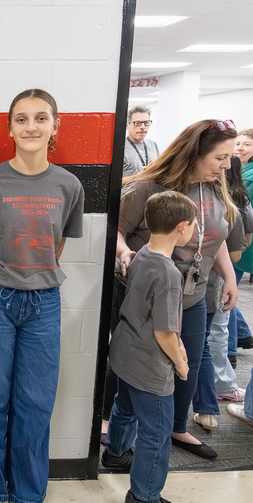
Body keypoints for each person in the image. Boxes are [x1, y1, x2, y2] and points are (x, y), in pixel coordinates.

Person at [0, 89, 85, 503]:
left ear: (55, 125)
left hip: (44, 303)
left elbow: (58, 244)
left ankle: (28, 492)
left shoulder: (69, 185)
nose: (30, 127)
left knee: (35, 403)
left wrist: (36, 275)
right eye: (21, 119)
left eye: (40, 118)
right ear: (9, 126)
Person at [117, 119, 240, 460]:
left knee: (190, 364)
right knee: (145, 365)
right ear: (195, 154)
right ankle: (125, 433)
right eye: (220, 157)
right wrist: (124, 252)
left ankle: (176, 427)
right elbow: (119, 229)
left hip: (196, 293)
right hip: (153, 292)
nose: (226, 166)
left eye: (229, 157)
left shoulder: (214, 187)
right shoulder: (150, 185)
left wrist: (228, 276)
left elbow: (214, 239)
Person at [104, 191, 195, 503]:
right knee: (156, 434)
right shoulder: (169, 274)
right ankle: (145, 495)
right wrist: (181, 365)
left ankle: (115, 453)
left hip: (125, 352)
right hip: (149, 365)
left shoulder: (140, 254)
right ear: (183, 227)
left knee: (124, 407)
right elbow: (164, 332)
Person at [205, 157, 249, 403]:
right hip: (210, 278)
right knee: (217, 331)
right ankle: (221, 386)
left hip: (213, 276)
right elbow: (234, 252)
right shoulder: (226, 204)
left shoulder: (222, 203)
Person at [230, 128, 253, 355]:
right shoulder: (239, 171)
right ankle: (244, 335)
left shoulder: (248, 178)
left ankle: (230, 352)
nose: (240, 148)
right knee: (229, 293)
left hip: (243, 243)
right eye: (238, 144)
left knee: (226, 295)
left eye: (247, 144)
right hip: (242, 241)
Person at [124, 105, 161, 177]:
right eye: (137, 123)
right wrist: (142, 176)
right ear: (127, 125)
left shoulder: (153, 144)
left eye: (146, 123)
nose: (143, 127)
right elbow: (114, 182)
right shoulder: (121, 147)